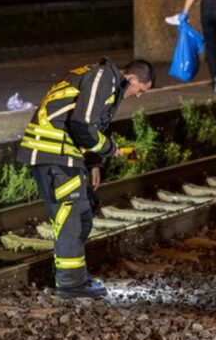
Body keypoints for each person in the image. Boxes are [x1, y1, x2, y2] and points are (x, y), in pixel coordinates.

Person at [17, 58, 155, 298]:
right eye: (140, 90)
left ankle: (72, 276)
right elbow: (82, 125)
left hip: (64, 154)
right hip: (53, 153)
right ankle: (70, 284)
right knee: (71, 217)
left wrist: (94, 164)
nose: (137, 96)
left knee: (83, 214)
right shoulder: (104, 78)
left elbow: (91, 126)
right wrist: (110, 149)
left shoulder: (104, 82)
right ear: (132, 79)